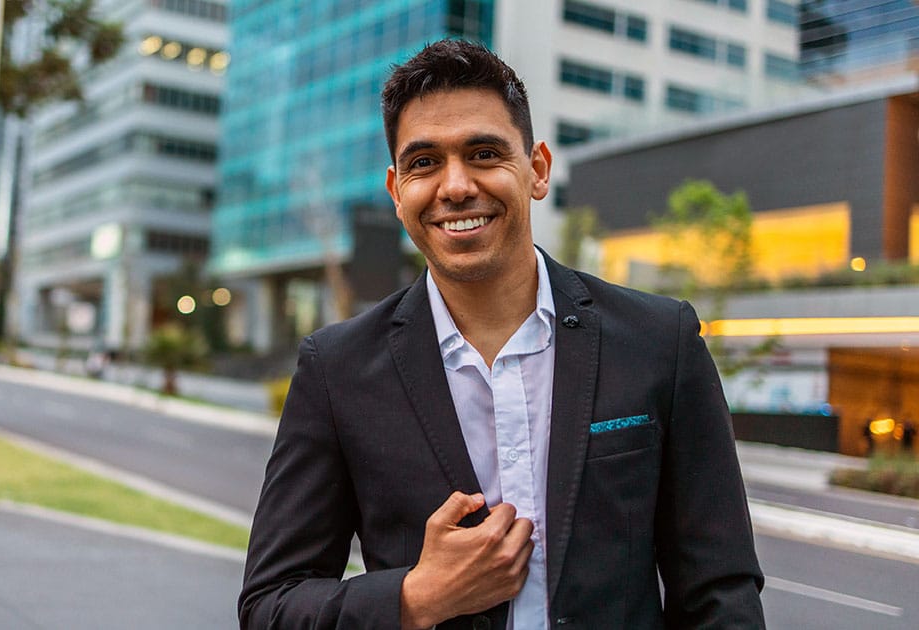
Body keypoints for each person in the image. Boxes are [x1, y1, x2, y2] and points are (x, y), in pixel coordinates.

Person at [239, 39, 765, 629]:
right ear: (396, 192)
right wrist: (415, 598)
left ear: (537, 169)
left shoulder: (658, 341)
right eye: (424, 162)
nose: (456, 186)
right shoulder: (336, 369)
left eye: (484, 153)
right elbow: (270, 607)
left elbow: (722, 592)